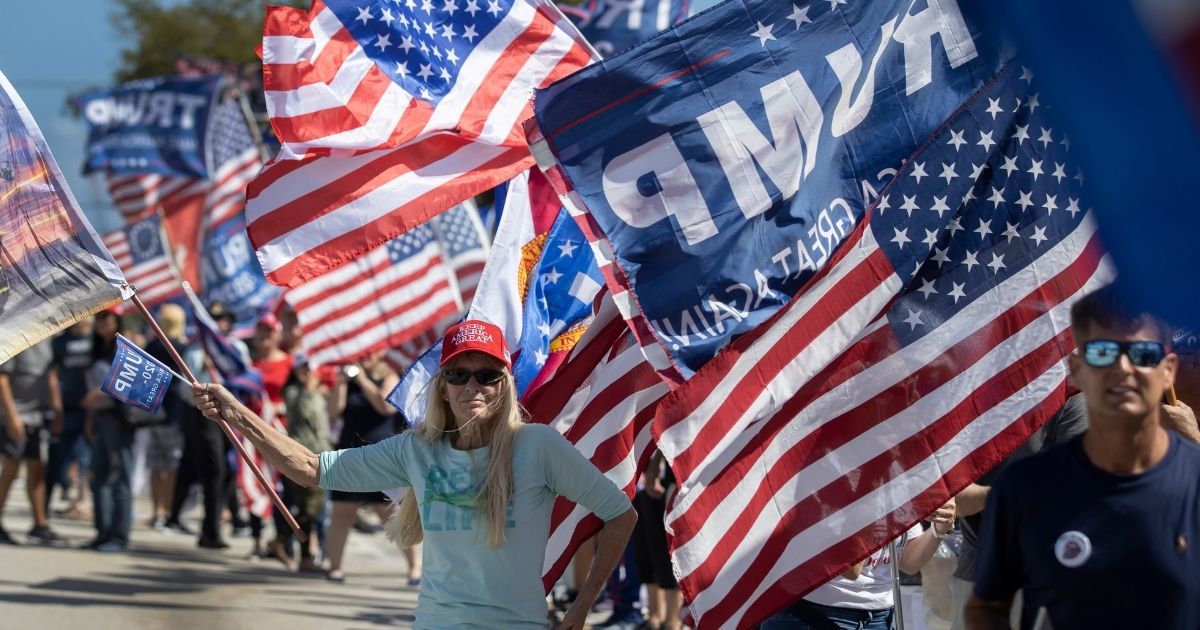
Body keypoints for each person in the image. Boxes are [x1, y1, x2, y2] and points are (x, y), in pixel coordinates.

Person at [192, 319, 637, 628]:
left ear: (504, 383)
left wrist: (581, 607)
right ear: (442, 385)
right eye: (459, 374)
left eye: (486, 375)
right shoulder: (416, 451)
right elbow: (310, 468)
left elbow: (621, 514)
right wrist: (237, 414)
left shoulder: (538, 447)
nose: (472, 387)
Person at [965, 285, 1200, 629]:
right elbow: (986, 607)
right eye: (1103, 352)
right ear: (1076, 369)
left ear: (1167, 369)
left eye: (1143, 354)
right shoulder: (1024, 488)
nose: (1123, 368)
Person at [946, 393, 1088, 630]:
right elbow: (954, 500)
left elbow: (1074, 491)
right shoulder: (970, 394)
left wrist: (996, 497)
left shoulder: (1068, 396)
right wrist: (1010, 495)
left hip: (1045, 575)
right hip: (977, 574)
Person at [761, 499, 957, 630]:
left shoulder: (898, 472)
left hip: (879, 617)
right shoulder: (831, 473)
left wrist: (938, 531)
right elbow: (850, 569)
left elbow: (907, 561)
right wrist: (871, 500)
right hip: (812, 613)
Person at [324, 350, 410, 583]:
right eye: (359, 355)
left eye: (368, 353)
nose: (363, 358)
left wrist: (362, 379)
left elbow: (386, 407)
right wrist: (342, 382)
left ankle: (414, 567)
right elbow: (332, 412)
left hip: (382, 455)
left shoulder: (389, 376)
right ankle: (335, 567)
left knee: (390, 512)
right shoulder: (348, 381)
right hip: (349, 454)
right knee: (342, 511)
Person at [157, 304, 226, 549]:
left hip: (234, 420)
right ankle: (210, 530)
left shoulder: (233, 349)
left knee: (206, 472)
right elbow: (186, 391)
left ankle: (179, 516)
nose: (219, 324)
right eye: (215, 319)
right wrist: (206, 380)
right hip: (204, 419)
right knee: (211, 472)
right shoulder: (197, 352)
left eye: (223, 319)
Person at [0, 339, 67, 546]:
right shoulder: (17, 338)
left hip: (37, 416)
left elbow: (50, 375)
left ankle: (40, 524)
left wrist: (57, 410)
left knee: (37, 468)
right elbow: (2, 379)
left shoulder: (47, 340)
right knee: (11, 468)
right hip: (15, 416)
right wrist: (12, 418)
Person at [270, 354, 332, 572]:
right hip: (302, 455)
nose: (308, 373)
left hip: (320, 453)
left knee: (310, 508)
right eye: (304, 369)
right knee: (312, 507)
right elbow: (306, 413)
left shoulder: (315, 393)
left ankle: (304, 557)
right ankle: (280, 540)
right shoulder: (294, 393)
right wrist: (310, 389)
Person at [80, 310, 135, 552]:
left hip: (119, 419)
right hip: (100, 418)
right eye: (99, 318)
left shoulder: (125, 346)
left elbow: (126, 380)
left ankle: (119, 536)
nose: (103, 322)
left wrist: (96, 394)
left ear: (117, 320)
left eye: (108, 317)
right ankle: (102, 532)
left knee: (121, 476)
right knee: (98, 475)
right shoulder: (97, 347)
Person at [46, 318, 96, 520]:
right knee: (56, 461)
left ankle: (81, 502)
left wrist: (93, 411)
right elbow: (52, 375)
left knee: (87, 460)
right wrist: (56, 408)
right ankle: (43, 510)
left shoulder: (95, 340)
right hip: (66, 409)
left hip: (90, 409)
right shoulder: (60, 341)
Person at [631, 450, 683, 630]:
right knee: (647, 550)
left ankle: (672, 620)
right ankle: (656, 615)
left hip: (676, 472)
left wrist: (658, 460)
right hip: (648, 477)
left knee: (669, 551)